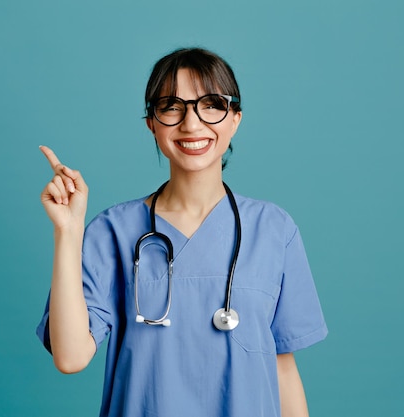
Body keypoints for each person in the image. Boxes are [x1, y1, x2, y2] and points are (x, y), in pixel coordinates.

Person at [36, 47, 327, 417]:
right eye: (172, 107)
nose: (191, 124)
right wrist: (68, 231)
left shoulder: (274, 230)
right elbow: (70, 356)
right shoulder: (112, 232)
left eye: (211, 104)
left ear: (235, 119)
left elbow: (281, 365)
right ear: (151, 123)